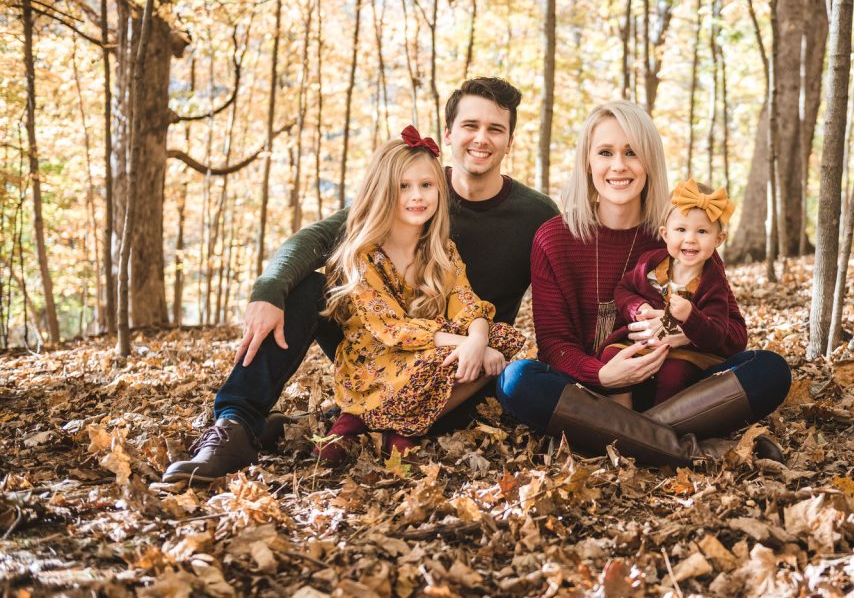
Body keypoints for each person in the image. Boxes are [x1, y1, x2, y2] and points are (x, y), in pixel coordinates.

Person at [163, 77, 558, 484]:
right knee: (308, 289)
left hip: (466, 370)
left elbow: (566, 292)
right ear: (449, 133)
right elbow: (315, 239)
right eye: (470, 125)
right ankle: (237, 425)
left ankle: (370, 419)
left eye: (495, 128)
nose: (481, 138)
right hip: (382, 346)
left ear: (510, 139)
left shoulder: (537, 214)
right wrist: (269, 290)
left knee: (502, 347)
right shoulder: (407, 182)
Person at [496, 101, 791, 467]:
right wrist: (602, 373)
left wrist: (688, 331)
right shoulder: (554, 238)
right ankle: (697, 450)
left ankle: (618, 438)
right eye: (605, 152)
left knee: (768, 368)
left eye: (632, 152)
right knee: (517, 380)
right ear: (587, 163)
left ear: (649, 161)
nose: (618, 165)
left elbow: (734, 335)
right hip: (587, 390)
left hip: (677, 384)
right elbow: (555, 345)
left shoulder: (683, 235)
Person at [312, 129, 524, 462]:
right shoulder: (362, 255)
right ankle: (356, 420)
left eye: (426, 185)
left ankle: (400, 430)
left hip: (429, 354)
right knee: (439, 360)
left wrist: (479, 339)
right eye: (404, 186)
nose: (417, 196)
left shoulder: (441, 251)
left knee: (504, 342)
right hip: (376, 363)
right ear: (383, 192)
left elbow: (465, 301)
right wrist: (465, 345)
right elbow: (390, 329)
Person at [600, 178, 746, 410]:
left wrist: (691, 317)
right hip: (644, 343)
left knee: (674, 374)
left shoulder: (712, 282)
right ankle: (621, 414)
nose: (690, 238)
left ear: (719, 239)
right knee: (611, 354)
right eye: (681, 229)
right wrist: (638, 308)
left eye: (702, 231)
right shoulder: (650, 264)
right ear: (665, 234)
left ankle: (659, 422)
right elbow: (624, 289)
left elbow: (718, 334)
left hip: (684, 354)